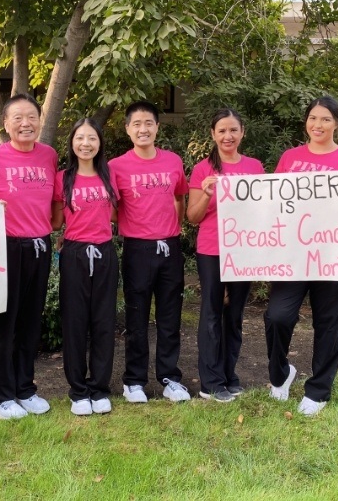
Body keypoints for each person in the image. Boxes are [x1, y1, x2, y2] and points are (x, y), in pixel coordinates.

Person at [264, 95, 338, 416]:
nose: (318, 125)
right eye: (313, 118)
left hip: (333, 255)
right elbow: (271, 203)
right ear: (306, 122)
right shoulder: (290, 157)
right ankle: (281, 374)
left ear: (336, 124)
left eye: (325, 119)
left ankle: (318, 391)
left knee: (329, 322)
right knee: (277, 316)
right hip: (293, 254)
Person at [0, 93, 58, 419]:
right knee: (3, 324)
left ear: (39, 120)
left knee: (29, 323)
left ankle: (24, 388)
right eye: (18, 118)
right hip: (4, 248)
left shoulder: (49, 156)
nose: (26, 123)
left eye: (31, 117)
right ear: (5, 124)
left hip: (39, 245)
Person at [110, 101, 191, 403]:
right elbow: (112, 209)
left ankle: (170, 378)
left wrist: (173, 225)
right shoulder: (116, 166)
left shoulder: (172, 161)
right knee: (136, 316)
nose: (143, 129)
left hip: (169, 246)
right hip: (137, 248)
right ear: (128, 129)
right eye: (136, 124)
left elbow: (180, 196)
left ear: (157, 127)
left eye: (149, 123)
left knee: (170, 315)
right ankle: (134, 381)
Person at [187, 109, 265, 403]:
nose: (227, 136)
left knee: (234, 316)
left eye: (233, 130)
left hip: (245, 250)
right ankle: (211, 382)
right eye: (221, 131)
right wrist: (206, 193)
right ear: (213, 134)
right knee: (210, 315)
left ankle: (230, 376)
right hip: (212, 250)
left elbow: (264, 212)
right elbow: (192, 217)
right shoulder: (202, 169)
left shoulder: (255, 167)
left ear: (242, 132)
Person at [51, 118, 119, 416]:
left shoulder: (109, 175)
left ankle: (100, 388)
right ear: (72, 143)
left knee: (104, 322)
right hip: (75, 254)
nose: (86, 144)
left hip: (105, 252)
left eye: (92, 138)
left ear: (100, 143)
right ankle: (78, 390)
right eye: (80, 138)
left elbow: (117, 215)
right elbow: (55, 221)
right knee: (75, 323)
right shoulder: (61, 178)